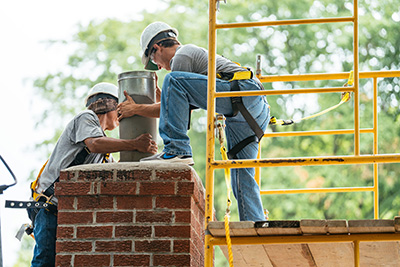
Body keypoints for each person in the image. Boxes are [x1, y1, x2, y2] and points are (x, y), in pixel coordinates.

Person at [119, 21, 270, 222]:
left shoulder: (182, 55)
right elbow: (179, 105)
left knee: (173, 81)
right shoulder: (192, 60)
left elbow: (178, 105)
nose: (161, 68)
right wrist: (162, 97)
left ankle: (177, 151)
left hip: (240, 95)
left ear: (157, 48)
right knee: (242, 176)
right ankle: (255, 223)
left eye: (155, 61)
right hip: (251, 111)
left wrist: (136, 109)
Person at [30, 82, 157, 267]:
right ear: (109, 106)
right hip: (49, 207)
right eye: (119, 109)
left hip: (66, 212)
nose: (121, 116)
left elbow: (116, 168)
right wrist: (133, 144)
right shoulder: (86, 118)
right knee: (45, 261)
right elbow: (94, 144)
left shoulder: (104, 151)